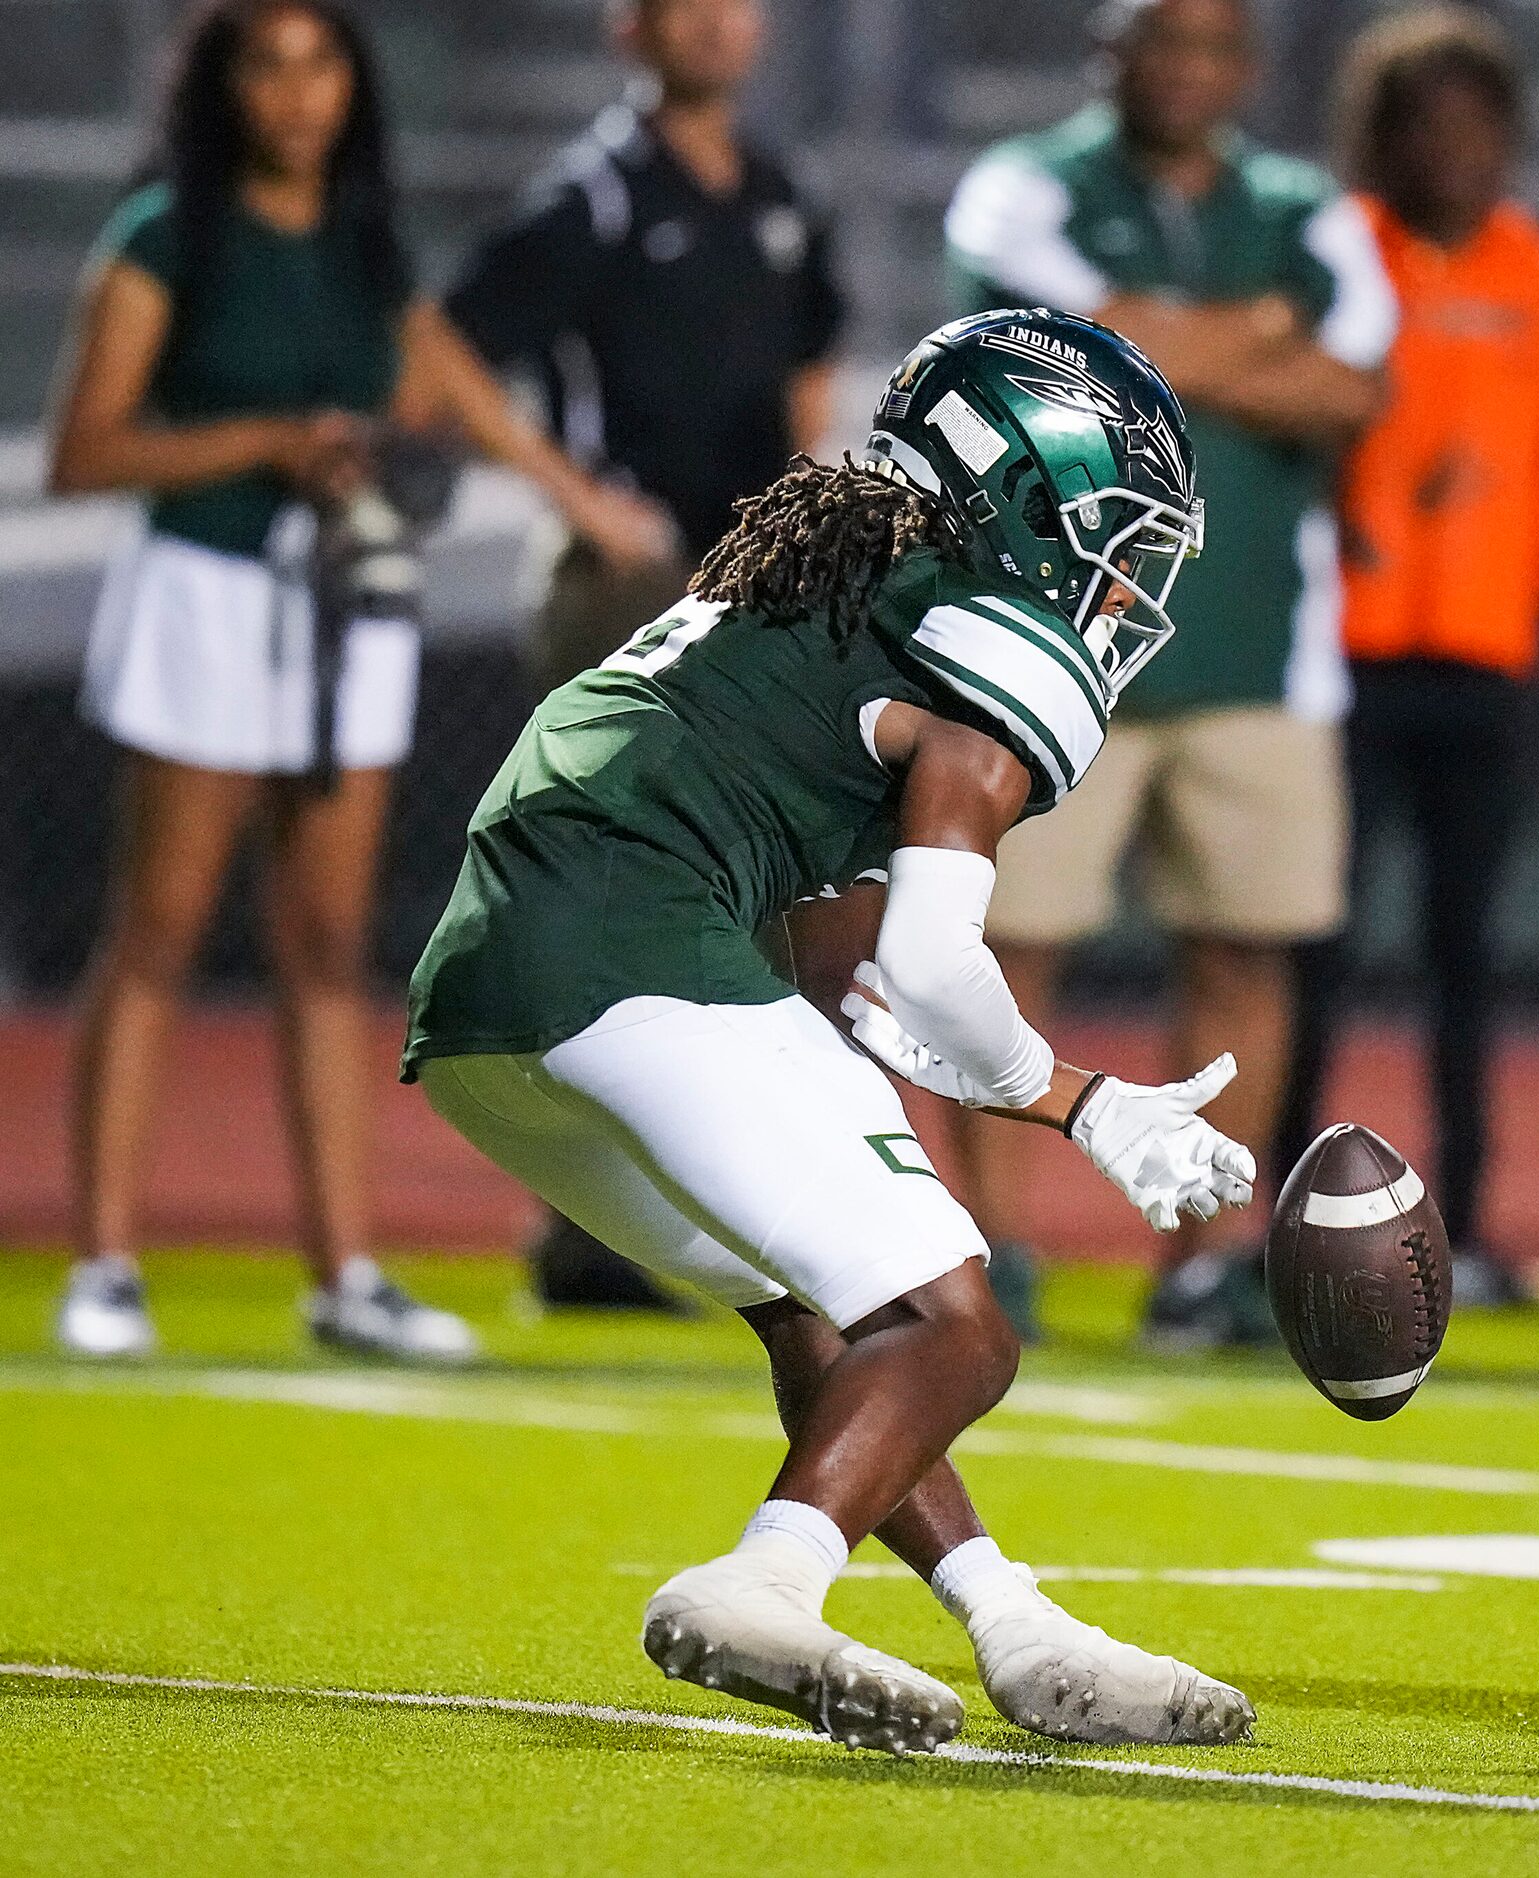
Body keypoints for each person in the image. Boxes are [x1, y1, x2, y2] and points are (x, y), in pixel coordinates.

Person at [405, 310, 1258, 1750]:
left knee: (835, 1308)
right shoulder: (997, 630)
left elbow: (786, 838)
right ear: (1027, 494)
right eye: (1115, 528)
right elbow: (930, 961)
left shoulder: (846, 565)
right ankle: (763, 1582)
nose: (1121, 583)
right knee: (954, 1324)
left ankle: (1018, 1625)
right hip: (626, 929)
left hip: (490, 977)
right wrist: (1084, 1102)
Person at [44, 0, 671, 1364]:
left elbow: (461, 398)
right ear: (222, 90)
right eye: (264, 66)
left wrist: (583, 505)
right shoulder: (167, 233)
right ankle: (102, 1263)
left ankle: (347, 1270)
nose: (295, 94)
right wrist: (273, 437)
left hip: (347, 603)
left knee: (330, 947)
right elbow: (83, 450)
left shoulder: (368, 243)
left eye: (319, 63)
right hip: (206, 594)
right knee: (156, 927)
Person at [940, 0, 1394, 1347]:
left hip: (1255, 643)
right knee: (1010, 952)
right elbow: (1059, 360)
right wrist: (1259, 335)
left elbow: (1359, 387)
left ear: (1246, 69)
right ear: (1109, 54)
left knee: (1244, 950)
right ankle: (991, 1250)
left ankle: (1200, 1263)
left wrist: (1148, 340)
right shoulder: (1024, 182)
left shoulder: (1308, 205)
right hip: (1054, 641)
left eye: (1213, 43)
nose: (1188, 67)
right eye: (1162, 39)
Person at [444, 0, 848, 1315]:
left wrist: (804, 512)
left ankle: (706, 1212)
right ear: (633, 31)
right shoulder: (596, 196)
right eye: (686, 6)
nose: (716, 27)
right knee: (622, 896)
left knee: (746, 900)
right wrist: (579, 498)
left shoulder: (780, 191)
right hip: (627, 590)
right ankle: (592, 1227)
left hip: (750, 592)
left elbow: (809, 360)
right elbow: (447, 346)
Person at [1269, 7, 1539, 1303]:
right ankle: (1279, 1222)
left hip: (1484, 666)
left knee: (1465, 956)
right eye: (1427, 125)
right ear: (1381, 138)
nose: (1457, 150)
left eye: (1480, 125)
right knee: (1307, 947)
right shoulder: (1329, 257)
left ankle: (1466, 1227)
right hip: (1339, 663)